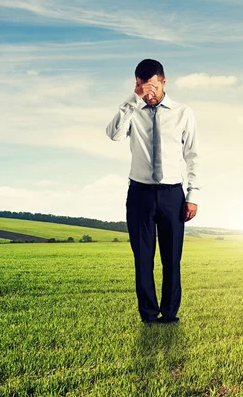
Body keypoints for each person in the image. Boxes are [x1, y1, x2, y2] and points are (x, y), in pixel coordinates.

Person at [105, 58, 201, 324]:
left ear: (163, 82)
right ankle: (148, 315)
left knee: (172, 259)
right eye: (141, 86)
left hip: (172, 194)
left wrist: (193, 196)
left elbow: (193, 156)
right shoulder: (133, 109)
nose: (148, 93)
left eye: (152, 87)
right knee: (143, 258)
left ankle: (170, 314)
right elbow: (112, 134)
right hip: (139, 194)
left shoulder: (183, 112)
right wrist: (133, 99)